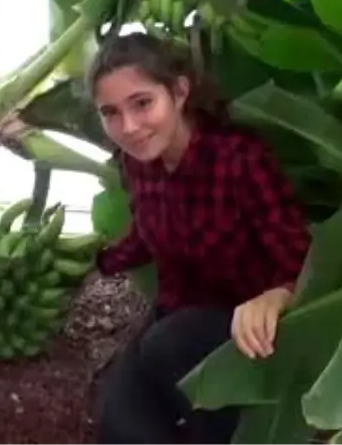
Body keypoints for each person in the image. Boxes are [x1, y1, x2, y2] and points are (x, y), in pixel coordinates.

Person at [88, 32, 311, 445]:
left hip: (245, 335)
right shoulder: (139, 163)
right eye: (111, 113)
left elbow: (301, 258)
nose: (129, 127)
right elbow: (146, 234)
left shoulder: (239, 160)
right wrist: (95, 262)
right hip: (175, 320)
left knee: (169, 346)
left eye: (142, 103)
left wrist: (276, 295)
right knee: (120, 423)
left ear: (179, 91)